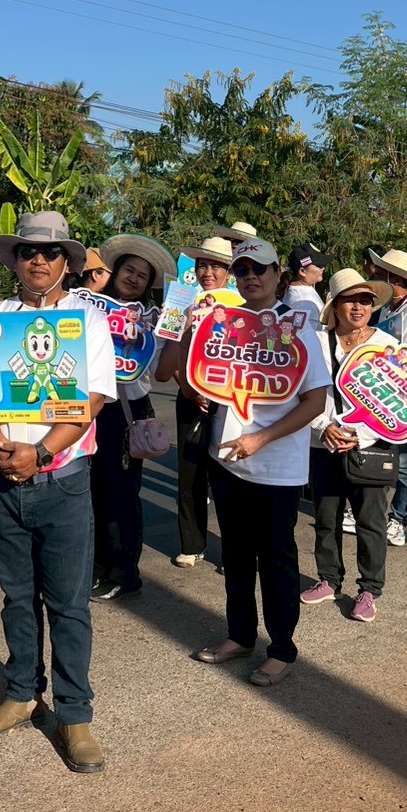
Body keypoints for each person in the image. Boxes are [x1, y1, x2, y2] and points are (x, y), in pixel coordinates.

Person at [0, 212, 116, 774]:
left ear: (67, 263)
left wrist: (41, 454)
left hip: (62, 481)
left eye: (50, 253)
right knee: (17, 598)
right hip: (1, 479)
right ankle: (22, 693)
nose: (39, 261)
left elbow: (92, 400)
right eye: (28, 251)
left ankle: (74, 714)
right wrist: (3, 447)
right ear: (15, 260)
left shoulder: (87, 320)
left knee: (69, 605)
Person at [191, 238, 329, 686]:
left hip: (277, 467)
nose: (251, 276)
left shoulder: (298, 327)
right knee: (235, 554)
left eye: (260, 269)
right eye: (243, 269)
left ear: (277, 275)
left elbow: (314, 401)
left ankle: (282, 650)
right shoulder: (223, 323)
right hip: (227, 460)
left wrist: (261, 438)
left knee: (275, 558)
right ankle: (240, 635)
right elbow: (195, 378)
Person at [302, 269, 396, 623]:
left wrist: (363, 435)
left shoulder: (387, 346)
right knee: (326, 517)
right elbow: (301, 392)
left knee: (370, 521)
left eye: (365, 301)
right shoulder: (314, 341)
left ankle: (370, 589)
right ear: (335, 306)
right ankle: (329, 579)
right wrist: (323, 426)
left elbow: (397, 404)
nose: (358, 307)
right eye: (350, 300)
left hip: (370, 445)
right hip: (323, 442)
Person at [90, 233, 175, 601]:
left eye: (143, 275)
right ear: (116, 271)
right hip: (86, 409)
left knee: (121, 496)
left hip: (125, 414)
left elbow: (161, 373)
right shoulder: (88, 309)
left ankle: (125, 574)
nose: (134, 278)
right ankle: (96, 568)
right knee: (90, 493)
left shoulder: (155, 321)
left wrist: (177, 333)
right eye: (129, 270)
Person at [157, 235, 235, 568]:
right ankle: (192, 543)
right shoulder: (179, 301)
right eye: (203, 265)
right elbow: (164, 367)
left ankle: (234, 551)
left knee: (230, 477)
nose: (208, 273)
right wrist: (188, 388)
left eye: (216, 266)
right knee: (190, 474)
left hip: (230, 403)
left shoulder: (241, 304)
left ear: (229, 271)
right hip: (190, 399)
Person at [367, 248, 407, 548]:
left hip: (406, 398)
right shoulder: (387, 310)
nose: (375, 279)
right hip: (383, 393)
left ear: (395, 279)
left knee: (404, 462)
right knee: (381, 456)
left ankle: (399, 519)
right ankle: (374, 513)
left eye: (381, 275)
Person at [284, 244, 329, 331]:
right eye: (319, 266)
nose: (323, 269)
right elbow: (305, 336)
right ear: (302, 271)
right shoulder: (303, 305)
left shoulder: (303, 289)